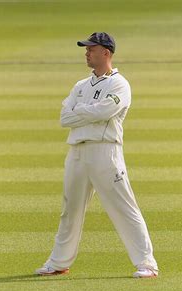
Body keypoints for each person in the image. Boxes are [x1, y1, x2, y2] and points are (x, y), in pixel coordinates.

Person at [35, 32, 159, 278]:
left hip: (105, 152)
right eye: (86, 48)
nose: (87, 52)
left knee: (124, 207)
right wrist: (87, 112)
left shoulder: (119, 84)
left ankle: (147, 264)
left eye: (91, 48)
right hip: (77, 151)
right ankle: (59, 262)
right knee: (70, 209)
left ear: (106, 53)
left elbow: (104, 112)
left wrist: (81, 111)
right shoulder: (80, 85)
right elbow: (64, 117)